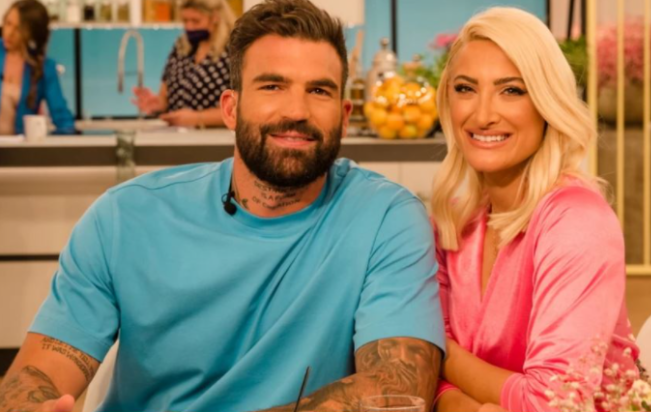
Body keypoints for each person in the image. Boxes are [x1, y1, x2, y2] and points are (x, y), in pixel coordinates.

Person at [0, 1, 444, 412]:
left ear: (345, 116)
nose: (297, 110)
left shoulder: (385, 218)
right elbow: (35, 374)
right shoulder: (125, 217)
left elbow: (397, 388)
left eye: (319, 90)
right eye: (272, 85)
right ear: (230, 108)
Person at [430, 7, 639, 412]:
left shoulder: (578, 221)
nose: (483, 115)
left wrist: (442, 351)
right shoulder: (452, 222)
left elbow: (553, 403)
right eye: (466, 88)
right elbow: (422, 374)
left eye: (511, 90)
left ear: (546, 103)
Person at [131, 0, 235, 128]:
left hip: (215, 137)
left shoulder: (232, 51)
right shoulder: (180, 47)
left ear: (215, 18)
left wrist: (196, 118)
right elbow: (164, 94)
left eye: (195, 21)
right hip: (177, 135)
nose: (189, 27)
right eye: (185, 21)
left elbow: (241, 108)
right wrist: (158, 104)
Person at [0, 0, 75, 135]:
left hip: (18, 147)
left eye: (18, 29)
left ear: (32, 33)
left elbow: (64, 121)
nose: (9, 33)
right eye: (8, 23)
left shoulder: (44, 68)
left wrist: (45, 141)